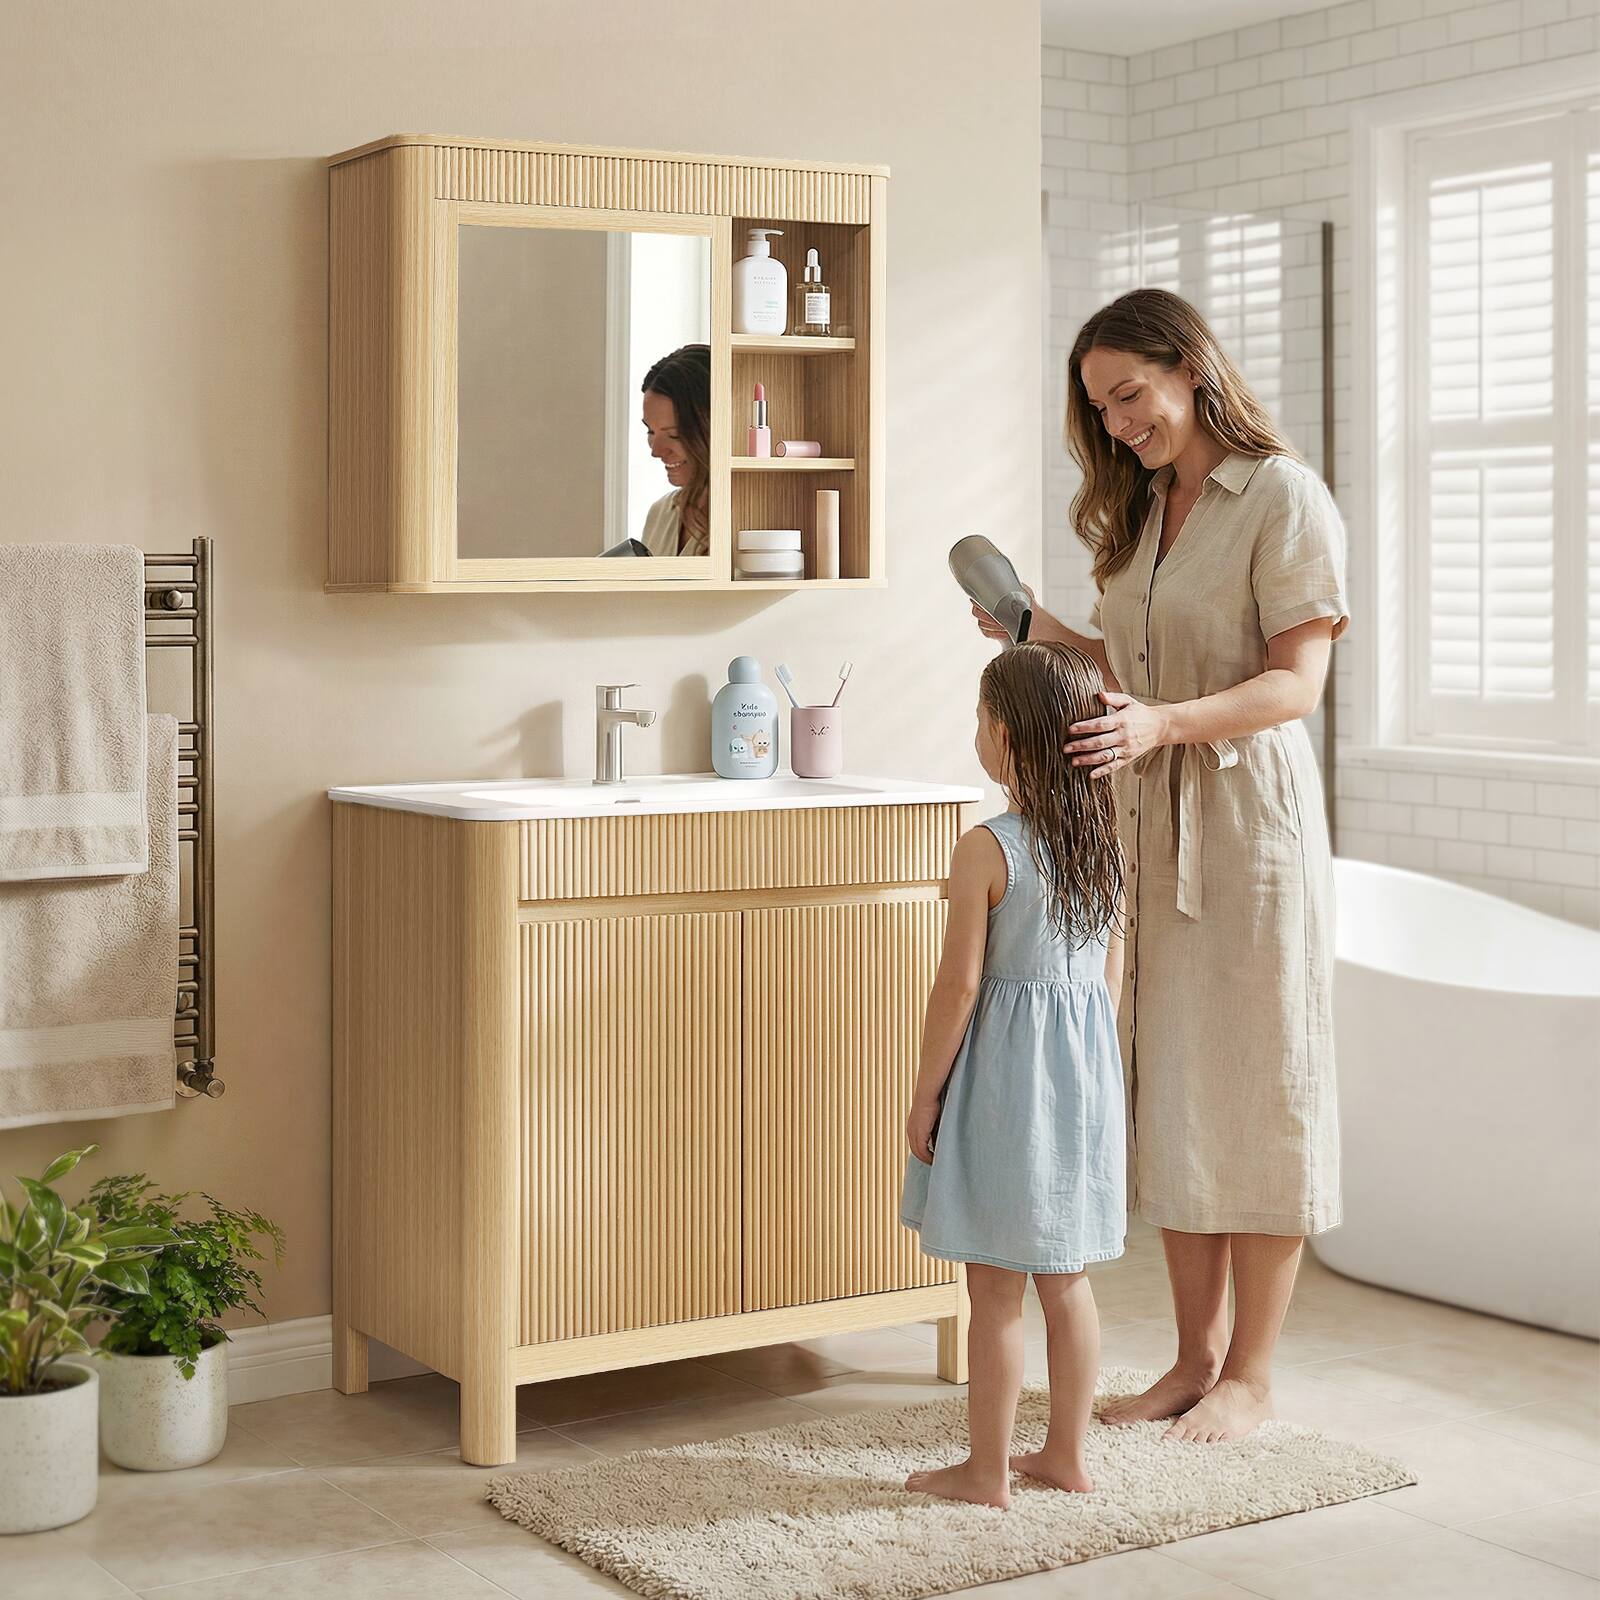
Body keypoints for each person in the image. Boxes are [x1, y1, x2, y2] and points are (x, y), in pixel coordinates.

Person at [973, 287, 1348, 1445]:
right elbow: (1126, 667)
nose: (1118, 422)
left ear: (1190, 367)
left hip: (1247, 824)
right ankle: (1191, 1360)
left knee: (1258, 1084)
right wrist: (1037, 630)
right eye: (1099, 407)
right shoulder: (1140, 508)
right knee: (1179, 1084)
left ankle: (1252, 1374)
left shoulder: (1279, 495)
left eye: (1129, 394)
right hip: (1149, 819)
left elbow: (1295, 684)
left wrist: (1162, 725)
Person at [900, 641, 1126, 1510]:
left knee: (993, 1285)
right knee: (1066, 1278)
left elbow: (958, 987)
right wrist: (1089, 1070)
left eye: (979, 719)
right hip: (1083, 1084)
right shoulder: (1103, 846)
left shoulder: (985, 848)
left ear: (1005, 737)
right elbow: (1110, 979)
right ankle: (1065, 1455)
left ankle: (985, 1472)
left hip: (1004, 1087)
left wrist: (927, 1094)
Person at [638, 344, 711, 556]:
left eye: (674, 434)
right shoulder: (659, 514)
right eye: (651, 431)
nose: (656, 451)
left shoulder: (750, 518)